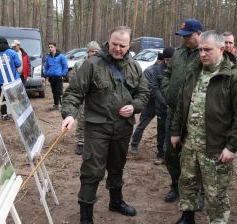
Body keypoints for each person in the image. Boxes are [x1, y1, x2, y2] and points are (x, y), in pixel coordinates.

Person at [61, 26, 149, 224]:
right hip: (97, 128)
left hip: (123, 128)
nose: (117, 48)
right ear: (108, 41)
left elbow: (144, 93)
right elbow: (74, 93)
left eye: (122, 45)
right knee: (92, 171)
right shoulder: (92, 65)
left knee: (117, 167)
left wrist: (134, 106)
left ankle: (115, 202)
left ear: (129, 46)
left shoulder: (135, 67)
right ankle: (86, 216)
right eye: (114, 44)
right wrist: (69, 114)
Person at [171, 30, 237, 223]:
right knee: (187, 183)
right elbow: (182, 104)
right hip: (190, 144)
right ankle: (187, 216)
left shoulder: (233, 77)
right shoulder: (193, 72)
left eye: (207, 50)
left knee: (215, 193)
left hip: (216, 149)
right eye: (200, 50)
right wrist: (176, 131)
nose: (202, 54)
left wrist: (232, 146)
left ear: (222, 48)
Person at [161, 18, 203, 203]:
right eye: (182, 36)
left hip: (196, 116)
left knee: (196, 156)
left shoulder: (205, 54)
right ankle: (175, 186)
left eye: (188, 36)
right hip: (173, 111)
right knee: (170, 152)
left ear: (199, 34)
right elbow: (167, 74)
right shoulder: (178, 54)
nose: (184, 40)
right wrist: (167, 90)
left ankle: (198, 193)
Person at [129, 47, 175, 165]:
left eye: (171, 60)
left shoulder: (176, 70)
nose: (167, 62)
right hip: (152, 104)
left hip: (166, 106)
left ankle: (166, 154)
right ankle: (134, 145)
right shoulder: (151, 70)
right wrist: (163, 102)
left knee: (169, 130)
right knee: (142, 125)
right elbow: (152, 88)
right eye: (166, 60)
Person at [74, 41, 101, 155]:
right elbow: (76, 82)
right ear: (87, 52)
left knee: (96, 119)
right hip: (84, 96)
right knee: (81, 120)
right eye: (92, 51)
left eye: (96, 51)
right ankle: (80, 143)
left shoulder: (103, 64)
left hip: (97, 98)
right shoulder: (80, 64)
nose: (94, 53)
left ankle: (93, 142)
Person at [0, 37, 21, 120]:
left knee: (2, 97)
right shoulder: (12, 53)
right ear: (6, 44)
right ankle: (17, 114)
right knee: (13, 97)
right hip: (12, 79)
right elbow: (18, 64)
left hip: (0, 80)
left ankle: (4, 115)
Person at [44, 42, 68, 110]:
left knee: (59, 91)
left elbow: (65, 66)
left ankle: (62, 105)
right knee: (54, 91)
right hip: (51, 77)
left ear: (55, 47)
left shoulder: (61, 56)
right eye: (49, 47)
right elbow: (46, 67)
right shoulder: (48, 57)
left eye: (51, 47)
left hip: (58, 76)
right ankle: (56, 105)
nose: (50, 48)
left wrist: (63, 74)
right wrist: (45, 75)